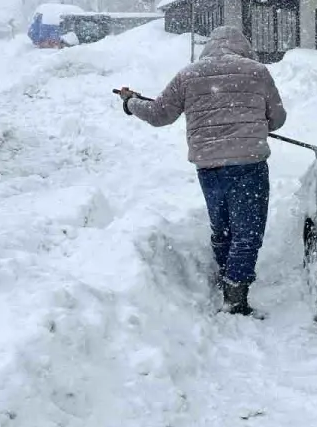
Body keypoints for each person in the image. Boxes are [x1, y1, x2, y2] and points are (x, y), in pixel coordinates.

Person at [116, 26, 287, 316]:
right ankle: (235, 297)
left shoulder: (189, 75)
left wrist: (130, 103)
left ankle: (225, 276)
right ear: (241, 47)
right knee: (247, 233)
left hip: (208, 168)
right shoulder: (257, 72)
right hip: (249, 165)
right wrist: (255, 123)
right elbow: (278, 119)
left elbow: (159, 114)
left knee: (222, 228)